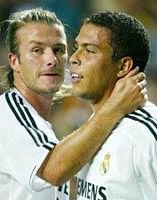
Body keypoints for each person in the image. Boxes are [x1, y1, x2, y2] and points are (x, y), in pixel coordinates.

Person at [0, 8, 147, 200]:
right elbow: (54, 171)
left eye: (58, 50)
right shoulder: (2, 114)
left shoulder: (39, 124)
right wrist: (114, 107)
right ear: (14, 61)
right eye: (37, 50)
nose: (51, 59)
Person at [69, 10, 157, 200]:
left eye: (90, 50)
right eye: (76, 47)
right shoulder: (95, 126)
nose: (74, 57)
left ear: (123, 66)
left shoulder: (145, 134)